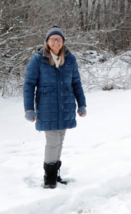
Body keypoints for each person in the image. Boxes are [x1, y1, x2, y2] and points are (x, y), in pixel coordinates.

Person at [23, 25, 87, 189]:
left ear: (63, 41)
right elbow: (29, 85)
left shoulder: (70, 59)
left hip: (66, 106)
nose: (56, 41)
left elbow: (76, 83)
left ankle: (55, 174)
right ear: (47, 42)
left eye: (59, 39)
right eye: (52, 39)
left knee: (60, 141)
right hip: (46, 106)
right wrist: (29, 109)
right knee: (52, 142)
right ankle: (49, 178)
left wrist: (82, 104)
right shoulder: (38, 60)